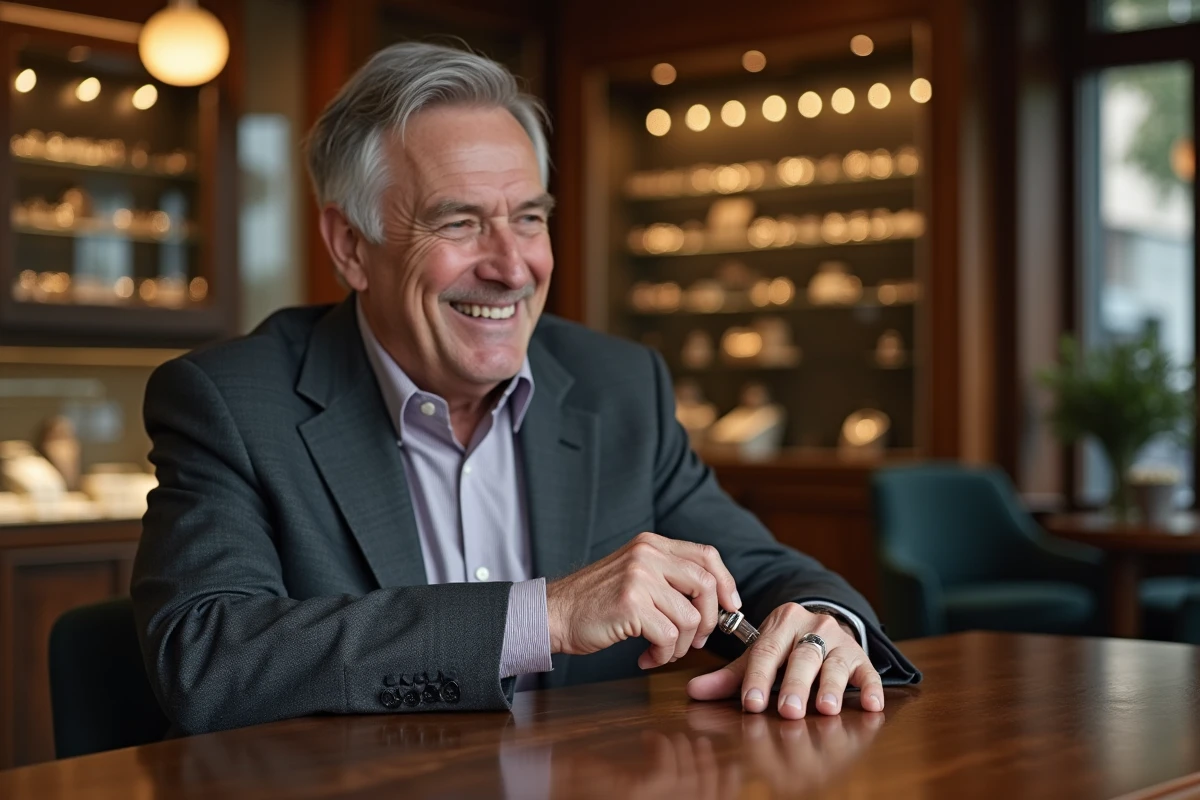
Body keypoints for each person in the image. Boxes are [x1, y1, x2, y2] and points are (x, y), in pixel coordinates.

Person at [131, 42, 919, 736]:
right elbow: (208, 658)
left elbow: (759, 572)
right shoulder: (231, 403)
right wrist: (544, 615)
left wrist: (821, 628)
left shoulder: (617, 386)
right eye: (459, 223)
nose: (513, 267)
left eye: (530, 219)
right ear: (350, 246)